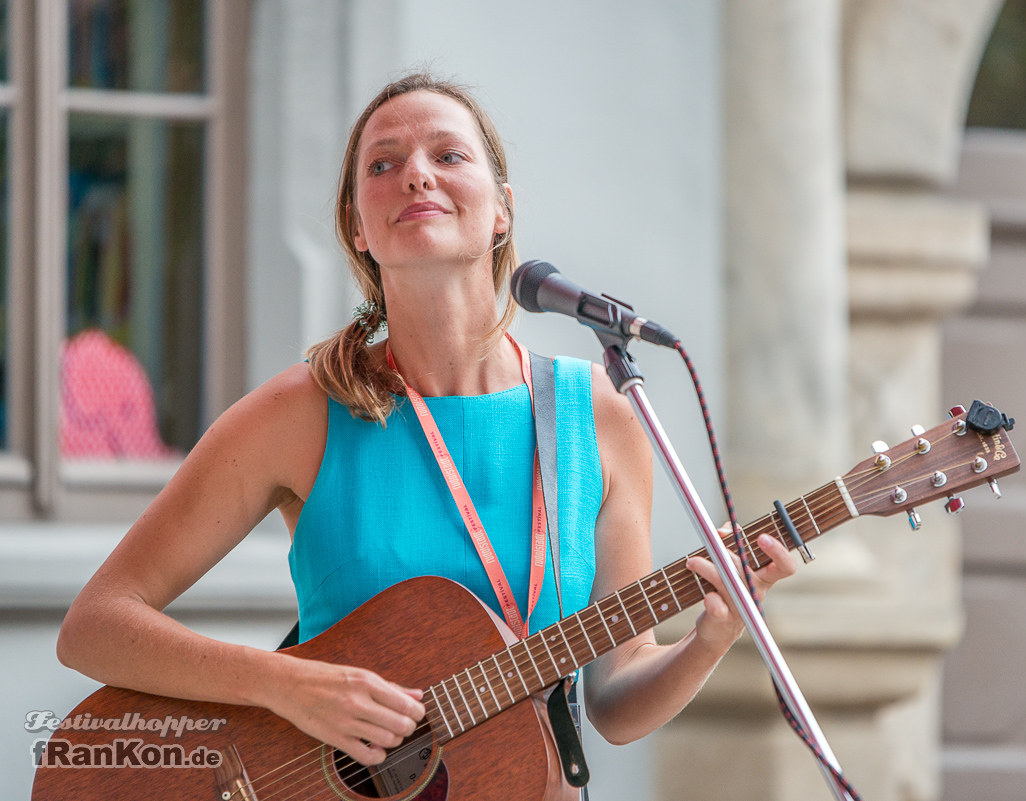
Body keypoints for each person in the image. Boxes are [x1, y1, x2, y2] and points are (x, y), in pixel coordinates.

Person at [56, 73, 798, 774]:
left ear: (502, 207)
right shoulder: (301, 412)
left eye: (448, 155)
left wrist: (714, 633)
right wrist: (284, 683)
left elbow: (613, 700)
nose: (416, 174)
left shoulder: (600, 415)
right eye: (384, 164)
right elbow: (95, 623)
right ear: (358, 225)